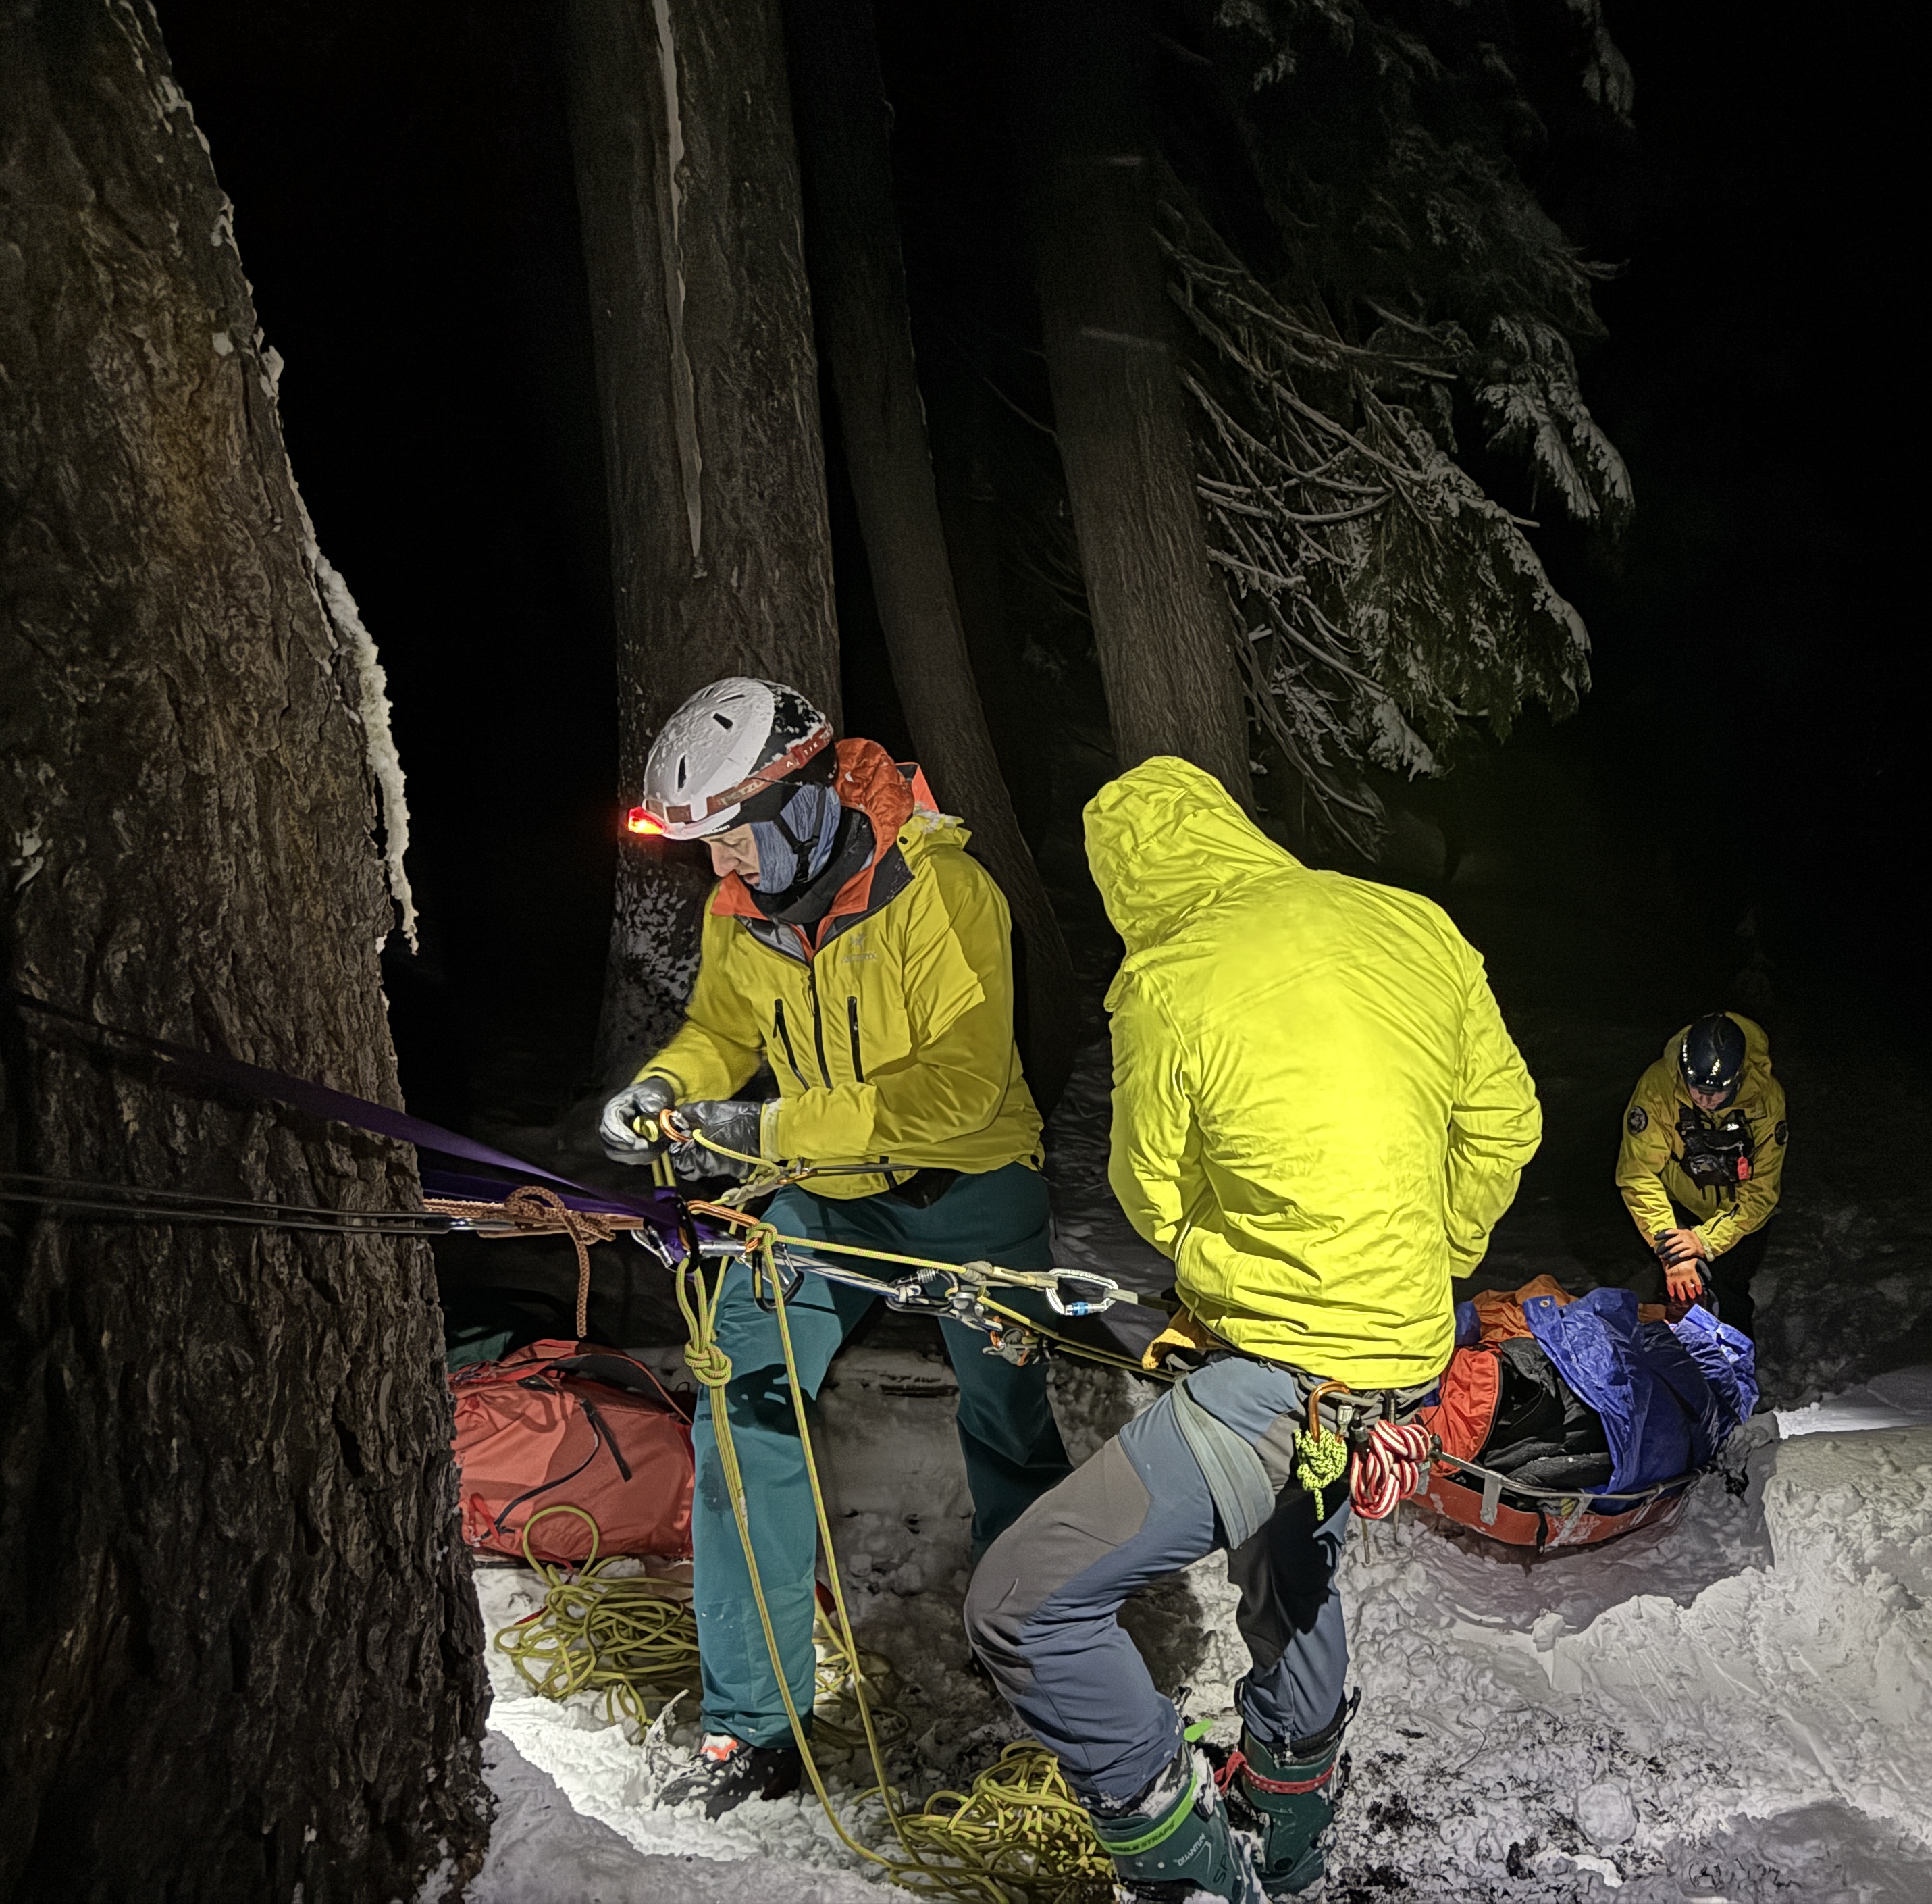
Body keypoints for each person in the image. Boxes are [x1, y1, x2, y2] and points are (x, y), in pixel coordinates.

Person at [964, 756, 1540, 1903]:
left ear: (1127, 881)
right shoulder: (1414, 924)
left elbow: (1150, 1190)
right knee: (1290, 1571)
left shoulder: (1169, 975)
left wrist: (1228, 1276)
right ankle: (1290, 1832)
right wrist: (1429, 1257)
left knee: (1022, 1601)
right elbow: (1504, 1124)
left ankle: (1190, 1870)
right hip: (1402, 1366)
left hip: (1278, 1379)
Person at [594, 677, 1074, 1818]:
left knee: (1008, 1422)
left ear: (803, 801)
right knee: (739, 1404)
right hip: (820, 1195)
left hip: (971, 1186)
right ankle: (753, 1720)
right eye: (707, 848)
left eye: (734, 837)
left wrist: (766, 1129)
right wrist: (668, 1085)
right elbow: (723, 1028)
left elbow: (959, 1085)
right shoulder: (741, 908)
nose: (722, 868)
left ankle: (1044, 1657)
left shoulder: (942, 889)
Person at [1616, 1012, 1787, 1337]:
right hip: (1679, 1203)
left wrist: (1704, 1241)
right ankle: (1677, 1360)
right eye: (1696, 1088)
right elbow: (1639, 1173)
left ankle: (1735, 1362)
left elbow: (1761, 1191)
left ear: (1738, 1078)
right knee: (1679, 1295)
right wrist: (1673, 1250)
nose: (1705, 1099)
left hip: (1740, 1215)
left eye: (1717, 1091)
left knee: (1731, 1296)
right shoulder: (1659, 1085)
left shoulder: (1765, 1095)